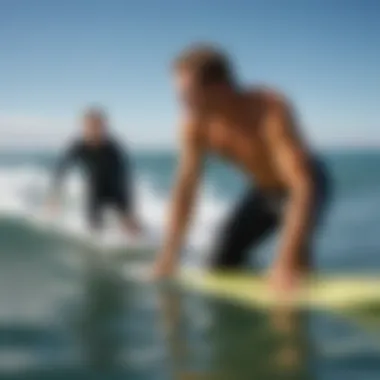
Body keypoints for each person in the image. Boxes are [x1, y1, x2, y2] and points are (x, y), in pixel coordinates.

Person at [153, 44, 331, 292]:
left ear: (220, 88)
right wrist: (169, 254)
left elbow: (301, 185)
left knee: (295, 265)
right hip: (263, 190)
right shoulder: (195, 124)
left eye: (187, 93)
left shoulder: (268, 109)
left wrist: (286, 259)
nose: (180, 101)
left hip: (306, 184)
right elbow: (186, 188)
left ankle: (296, 290)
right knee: (219, 262)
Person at [49, 107, 141, 235]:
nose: (93, 130)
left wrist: (129, 209)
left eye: (98, 126)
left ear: (104, 127)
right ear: (84, 127)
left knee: (131, 226)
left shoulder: (113, 148)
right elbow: (62, 168)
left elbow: (125, 178)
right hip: (94, 191)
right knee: (93, 228)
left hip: (115, 189)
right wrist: (55, 195)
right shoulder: (78, 146)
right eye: (89, 126)